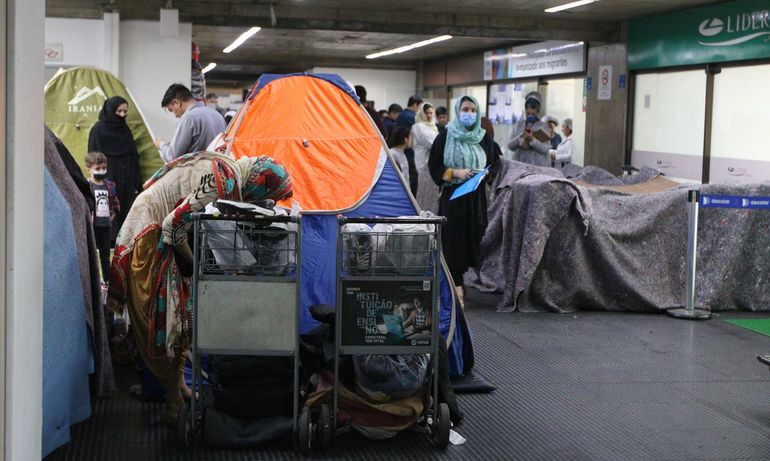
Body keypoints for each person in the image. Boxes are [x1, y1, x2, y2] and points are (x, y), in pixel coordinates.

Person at [107, 152, 293, 425]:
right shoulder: (221, 183)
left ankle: (179, 385)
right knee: (164, 322)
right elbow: (172, 226)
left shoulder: (228, 168)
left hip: (160, 231)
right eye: (265, 195)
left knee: (182, 318)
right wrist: (197, 266)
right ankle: (172, 402)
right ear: (256, 184)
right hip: (149, 234)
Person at [429, 96, 499, 304]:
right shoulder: (445, 136)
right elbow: (434, 165)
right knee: (454, 241)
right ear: (458, 111)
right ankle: (456, 284)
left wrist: (486, 175)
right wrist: (455, 173)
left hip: (475, 198)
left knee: (473, 238)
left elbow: (495, 162)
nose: (468, 113)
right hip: (454, 198)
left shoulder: (484, 137)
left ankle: (461, 279)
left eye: (472, 110)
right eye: (465, 109)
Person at [88, 96, 142, 239]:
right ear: (111, 110)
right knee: (108, 211)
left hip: (126, 178)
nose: (122, 115)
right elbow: (92, 156)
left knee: (125, 211)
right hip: (107, 176)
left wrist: (136, 181)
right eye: (119, 111)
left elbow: (133, 155)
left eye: (125, 112)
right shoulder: (98, 130)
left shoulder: (125, 129)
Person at [154, 84, 227, 163]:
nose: (175, 116)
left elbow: (172, 157)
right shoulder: (218, 115)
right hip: (218, 171)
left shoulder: (188, 118)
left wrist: (161, 144)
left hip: (197, 173)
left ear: (177, 103)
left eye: (171, 110)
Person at [85, 151, 120, 282]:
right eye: (97, 168)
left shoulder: (109, 185)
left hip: (105, 226)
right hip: (92, 226)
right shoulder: (87, 186)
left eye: (104, 168)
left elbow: (116, 203)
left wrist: (111, 217)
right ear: (89, 169)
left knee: (105, 256)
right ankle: (92, 281)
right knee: (91, 255)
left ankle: (107, 280)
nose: (101, 171)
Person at [507, 91, 551, 167]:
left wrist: (532, 140)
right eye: (528, 113)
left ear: (538, 112)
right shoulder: (519, 125)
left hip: (538, 166)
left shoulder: (544, 127)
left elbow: (544, 148)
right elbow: (510, 146)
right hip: (520, 165)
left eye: (533, 114)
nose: (530, 116)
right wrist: (520, 136)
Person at [412, 103, 439, 213]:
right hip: (424, 165)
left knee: (431, 196)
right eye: (427, 113)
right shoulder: (419, 127)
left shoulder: (433, 126)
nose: (429, 115)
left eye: (431, 113)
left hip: (432, 166)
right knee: (424, 195)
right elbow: (433, 143)